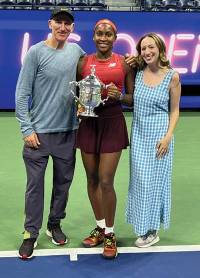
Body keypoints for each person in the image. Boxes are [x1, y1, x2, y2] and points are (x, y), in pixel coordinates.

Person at [15, 7, 85, 259]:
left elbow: (90, 78)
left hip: (68, 132)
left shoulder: (77, 52)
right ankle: (30, 233)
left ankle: (54, 224)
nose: (63, 27)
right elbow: (22, 93)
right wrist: (27, 128)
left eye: (68, 23)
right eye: (59, 22)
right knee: (35, 187)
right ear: (50, 24)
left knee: (62, 185)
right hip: (39, 135)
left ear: (72, 28)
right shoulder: (35, 52)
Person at [76, 19, 135, 259]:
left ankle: (110, 234)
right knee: (91, 179)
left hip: (112, 122)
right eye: (99, 33)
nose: (103, 37)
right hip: (88, 123)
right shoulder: (83, 62)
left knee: (106, 180)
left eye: (108, 34)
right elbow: (77, 92)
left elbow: (131, 98)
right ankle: (100, 227)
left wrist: (119, 95)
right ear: (93, 36)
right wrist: (79, 106)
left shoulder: (124, 63)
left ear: (115, 37)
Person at [126, 33, 181, 248]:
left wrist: (168, 137)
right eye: (143, 48)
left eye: (151, 47)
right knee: (140, 182)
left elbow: (175, 111)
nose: (147, 52)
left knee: (155, 183)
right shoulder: (137, 73)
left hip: (160, 138)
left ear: (160, 50)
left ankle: (152, 230)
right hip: (139, 136)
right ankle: (142, 224)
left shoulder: (172, 76)